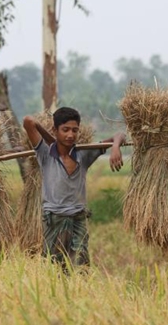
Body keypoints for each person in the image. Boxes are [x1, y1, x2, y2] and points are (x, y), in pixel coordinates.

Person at [23, 107, 126, 270]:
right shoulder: (45, 154)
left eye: (74, 130)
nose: (70, 135)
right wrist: (51, 139)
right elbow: (29, 121)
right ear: (55, 130)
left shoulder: (84, 155)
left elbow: (120, 135)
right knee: (54, 269)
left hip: (78, 219)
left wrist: (115, 147)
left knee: (81, 267)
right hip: (54, 219)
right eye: (65, 130)